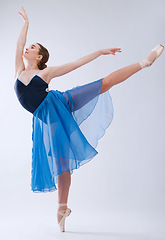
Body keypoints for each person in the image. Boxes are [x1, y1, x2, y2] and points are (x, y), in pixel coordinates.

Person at [14, 6, 164, 232]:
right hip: (46, 121)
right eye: (29, 45)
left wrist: (99, 52)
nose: (27, 47)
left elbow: (76, 64)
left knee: (103, 84)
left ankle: (145, 62)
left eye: (32, 47)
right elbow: (18, 45)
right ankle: (62, 208)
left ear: (40, 56)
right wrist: (26, 24)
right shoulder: (18, 70)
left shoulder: (46, 73)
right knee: (62, 164)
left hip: (60, 103)